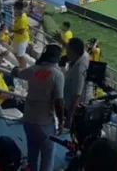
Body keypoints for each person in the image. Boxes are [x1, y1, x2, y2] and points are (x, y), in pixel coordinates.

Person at [14, 43, 65, 171]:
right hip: (45, 123)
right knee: (47, 159)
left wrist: (15, 69)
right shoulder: (57, 75)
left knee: (32, 155)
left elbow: (18, 73)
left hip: (29, 120)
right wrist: (62, 122)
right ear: (57, 58)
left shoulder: (34, 69)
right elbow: (59, 102)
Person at [64, 37, 90, 129]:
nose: (65, 51)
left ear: (72, 52)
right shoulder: (84, 54)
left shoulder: (79, 70)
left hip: (76, 110)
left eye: (67, 49)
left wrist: (69, 118)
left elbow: (76, 97)